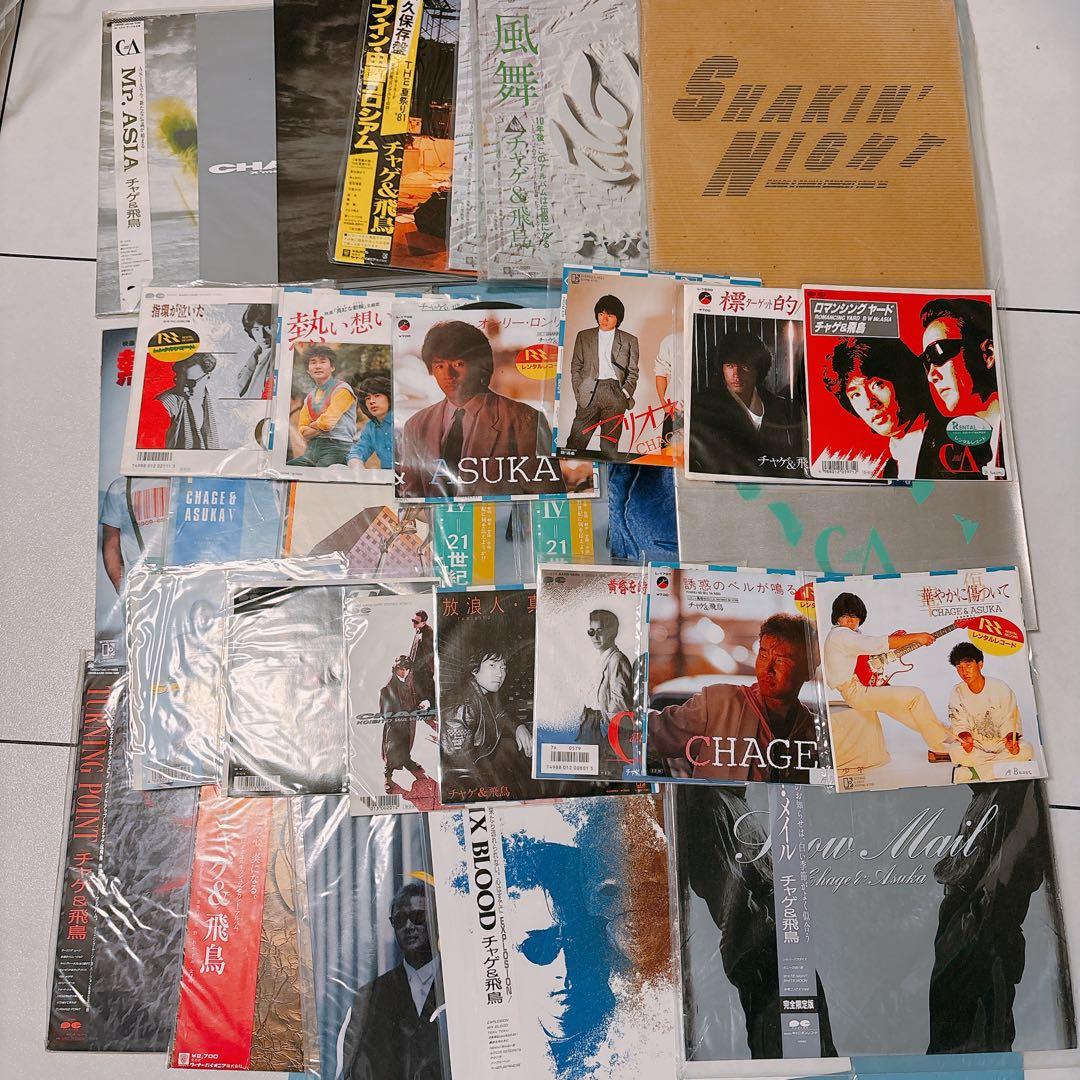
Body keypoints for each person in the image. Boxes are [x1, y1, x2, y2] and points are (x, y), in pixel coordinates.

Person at [677, 785, 836, 1059]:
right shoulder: (709, 802)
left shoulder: (734, 802)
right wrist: (766, 923)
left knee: (811, 1047)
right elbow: (717, 881)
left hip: (778, 944)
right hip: (761, 947)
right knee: (785, 1051)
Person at [928, 780, 1050, 1053]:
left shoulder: (1014, 791)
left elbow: (1012, 875)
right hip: (964, 937)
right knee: (955, 1040)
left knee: (976, 1042)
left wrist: (977, 927)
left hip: (979, 941)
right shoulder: (989, 797)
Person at [648, 613, 824, 783]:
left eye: (780, 661)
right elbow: (653, 732)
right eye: (763, 655)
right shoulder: (719, 704)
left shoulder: (817, 732)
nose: (767, 669)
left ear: (807, 670)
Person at [397, 321, 565, 498]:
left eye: (458, 364)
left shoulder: (525, 420)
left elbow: (548, 499)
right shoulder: (416, 426)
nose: (448, 375)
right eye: (439, 366)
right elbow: (411, 499)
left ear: (482, 366)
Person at [822, 591, 954, 762]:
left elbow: (866, 656)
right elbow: (877, 644)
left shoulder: (847, 635)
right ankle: (938, 748)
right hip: (857, 692)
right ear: (837, 618)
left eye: (854, 617)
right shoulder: (840, 634)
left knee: (907, 713)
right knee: (916, 696)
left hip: (864, 688)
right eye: (845, 616)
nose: (850, 621)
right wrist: (917, 637)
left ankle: (950, 736)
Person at [341, 880, 444, 1080]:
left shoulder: (459, 984)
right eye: (400, 920)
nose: (408, 926)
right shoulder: (371, 996)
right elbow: (355, 1069)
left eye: (418, 917)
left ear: (436, 919)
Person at [823, 337, 946, 480]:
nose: (869, 403)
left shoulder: (947, 441)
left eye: (877, 384)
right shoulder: (890, 468)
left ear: (903, 379)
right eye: (856, 394)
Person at [688, 330, 804, 478]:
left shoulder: (779, 405)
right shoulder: (706, 405)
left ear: (758, 369)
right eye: (730, 366)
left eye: (745, 367)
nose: (736, 375)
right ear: (722, 368)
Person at [919, 297, 1003, 475]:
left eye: (938, 353)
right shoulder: (952, 452)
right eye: (926, 362)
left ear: (988, 354)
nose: (931, 376)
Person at [440, 647, 532, 795]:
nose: (500, 673)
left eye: (503, 667)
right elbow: (459, 771)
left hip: (482, 768)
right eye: (492, 665)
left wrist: (518, 726)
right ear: (474, 669)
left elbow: (499, 714)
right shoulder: (463, 707)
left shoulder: (479, 693)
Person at [564, 294, 639, 460]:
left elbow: (633, 371)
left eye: (610, 315)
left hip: (615, 393)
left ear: (618, 318)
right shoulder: (584, 336)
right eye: (601, 314)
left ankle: (605, 475)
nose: (604, 319)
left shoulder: (630, 340)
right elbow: (576, 366)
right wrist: (579, 391)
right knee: (575, 443)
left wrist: (624, 393)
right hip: (589, 392)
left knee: (609, 448)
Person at [946, 642, 1033, 774]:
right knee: (956, 752)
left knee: (1026, 750)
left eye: (968, 665)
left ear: (980, 664)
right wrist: (966, 738)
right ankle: (1002, 767)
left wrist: (1011, 740)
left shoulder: (1000, 687)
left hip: (1001, 743)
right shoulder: (957, 691)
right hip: (976, 745)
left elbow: (1011, 719)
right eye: (959, 667)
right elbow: (959, 723)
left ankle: (980, 770)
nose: (963, 672)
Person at [575, 609, 635, 776]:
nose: (595, 637)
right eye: (591, 631)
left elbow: (620, 701)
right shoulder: (598, 657)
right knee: (584, 774)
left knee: (606, 775)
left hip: (605, 725)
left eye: (600, 631)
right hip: (590, 722)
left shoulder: (617, 659)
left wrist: (608, 729)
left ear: (612, 632)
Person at [287, 344, 357, 467]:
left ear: (332, 367)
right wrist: (319, 425)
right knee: (290, 468)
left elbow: (327, 424)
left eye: (323, 361)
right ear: (308, 370)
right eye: (313, 362)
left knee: (318, 475)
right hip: (311, 450)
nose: (318, 366)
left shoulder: (342, 389)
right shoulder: (310, 396)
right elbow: (303, 430)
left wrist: (313, 425)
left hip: (337, 448)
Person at [380, 656, 430, 795]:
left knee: (406, 746)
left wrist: (417, 706)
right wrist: (398, 720)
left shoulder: (407, 683)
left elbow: (409, 701)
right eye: (401, 669)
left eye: (407, 669)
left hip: (407, 723)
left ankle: (408, 762)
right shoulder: (387, 689)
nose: (404, 672)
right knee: (391, 752)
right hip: (394, 727)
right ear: (396, 669)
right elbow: (385, 713)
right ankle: (388, 778)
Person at [156, 353, 218, 450]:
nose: (184, 389)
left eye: (190, 383)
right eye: (180, 381)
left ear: (208, 377)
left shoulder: (215, 401)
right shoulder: (166, 404)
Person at [348, 374, 394, 471]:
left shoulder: (401, 421)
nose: (371, 401)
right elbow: (359, 449)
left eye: (377, 396)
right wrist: (355, 462)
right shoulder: (370, 427)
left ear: (389, 397)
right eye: (367, 398)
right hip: (387, 477)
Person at [236, 303, 275, 398]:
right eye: (256, 329)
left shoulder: (279, 356)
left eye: (268, 328)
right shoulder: (256, 354)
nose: (263, 335)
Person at [408, 610, 435, 706]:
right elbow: (415, 650)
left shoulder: (428, 633)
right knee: (418, 694)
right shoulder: (419, 631)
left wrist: (427, 670)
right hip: (417, 670)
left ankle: (433, 710)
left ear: (423, 623)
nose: (414, 623)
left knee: (429, 694)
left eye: (416, 622)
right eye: (413, 620)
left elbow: (429, 654)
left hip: (424, 671)